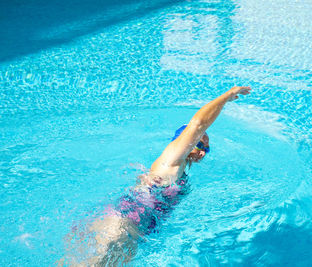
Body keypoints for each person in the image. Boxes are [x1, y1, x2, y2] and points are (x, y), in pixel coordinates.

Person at [61, 86, 251, 266]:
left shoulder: (179, 170)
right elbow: (198, 124)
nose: (203, 152)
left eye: (207, 149)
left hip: (136, 230)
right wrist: (227, 96)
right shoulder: (172, 159)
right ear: (183, 140)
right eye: (200, 144)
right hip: (123, 222)